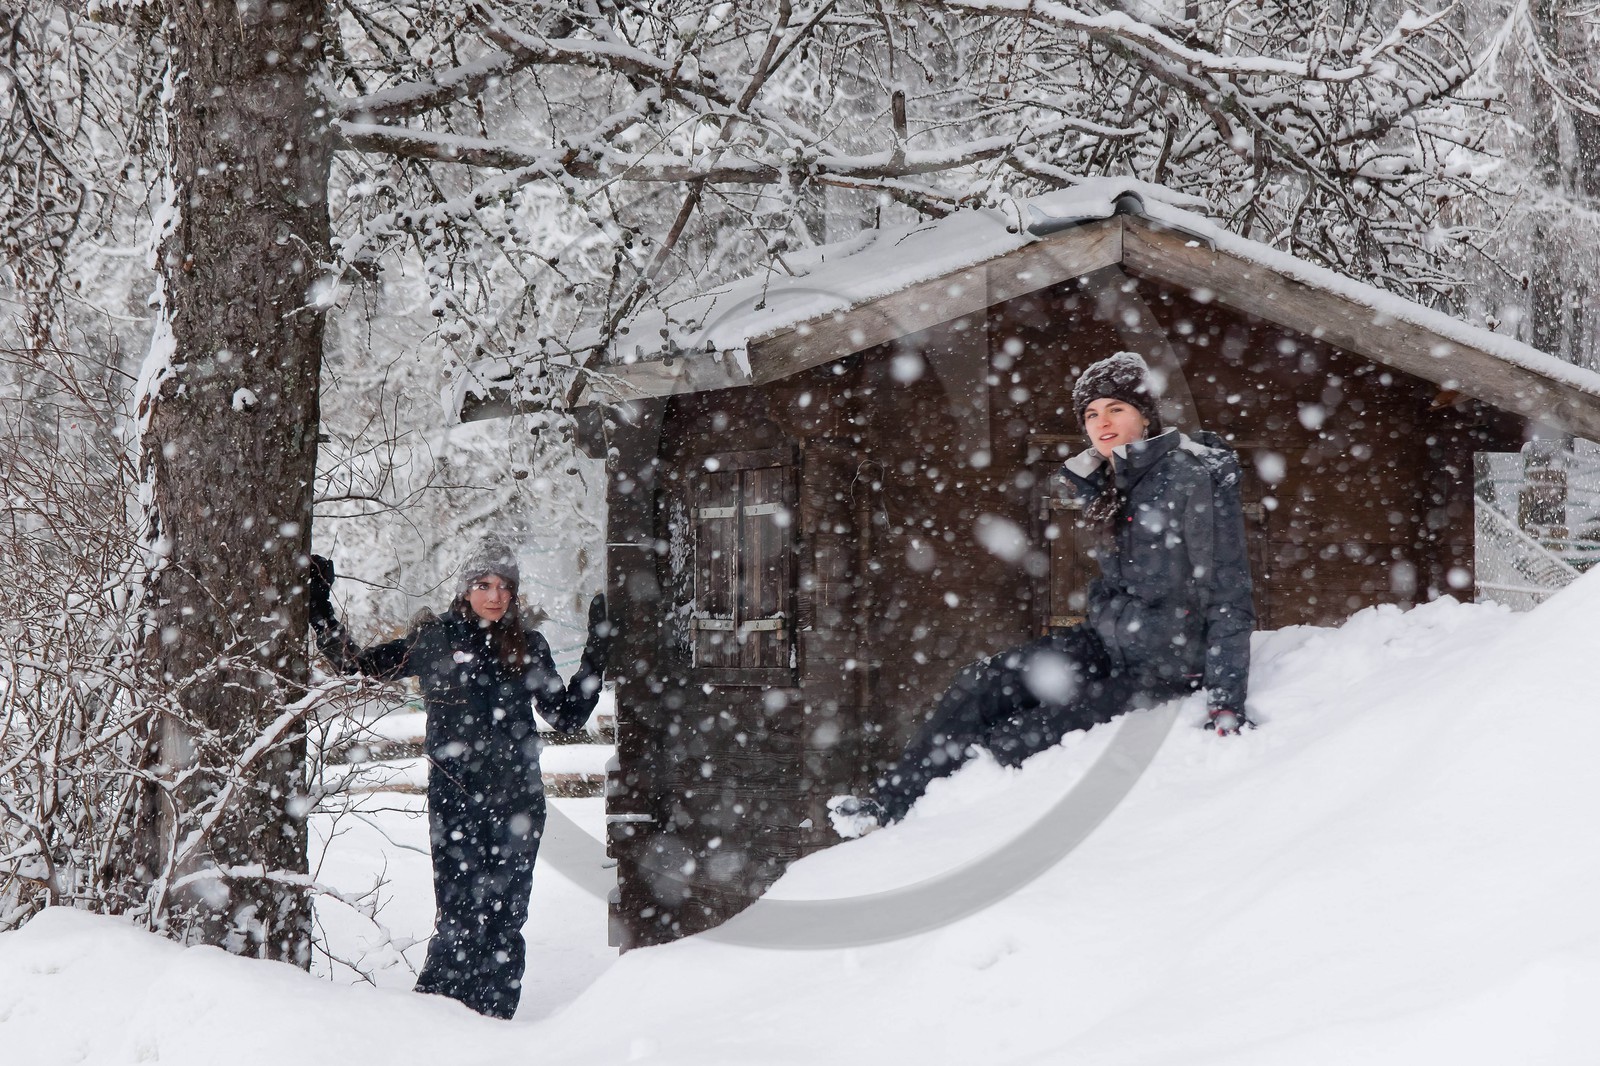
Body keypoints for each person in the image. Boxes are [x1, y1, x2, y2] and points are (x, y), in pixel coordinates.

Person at [829, 351, 1255, 838]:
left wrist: (1225, 700)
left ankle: (942, 826)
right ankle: (888, 804)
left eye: (1115, 408)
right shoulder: (1112, 482)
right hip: (1109, 644)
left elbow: (1228, 591)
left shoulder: (1190, 478)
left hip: (1170, 665)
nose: (1102, 422)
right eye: (1091, 414)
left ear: (1145, 414)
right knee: (983, 683)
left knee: (1017, 736)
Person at [306, 537, 612, 1018]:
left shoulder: (527, 646)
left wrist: (598, 644)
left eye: (504, 587)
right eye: (484, 585)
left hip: (518, 805)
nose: (495, 596)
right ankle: (439, 1020)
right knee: (460, 919)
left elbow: (568, 715)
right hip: (456, 803)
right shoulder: (436, 640)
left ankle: (494, 1027)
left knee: (506, 921)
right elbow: (357, 665)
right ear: (465, 588)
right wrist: (318, 605)